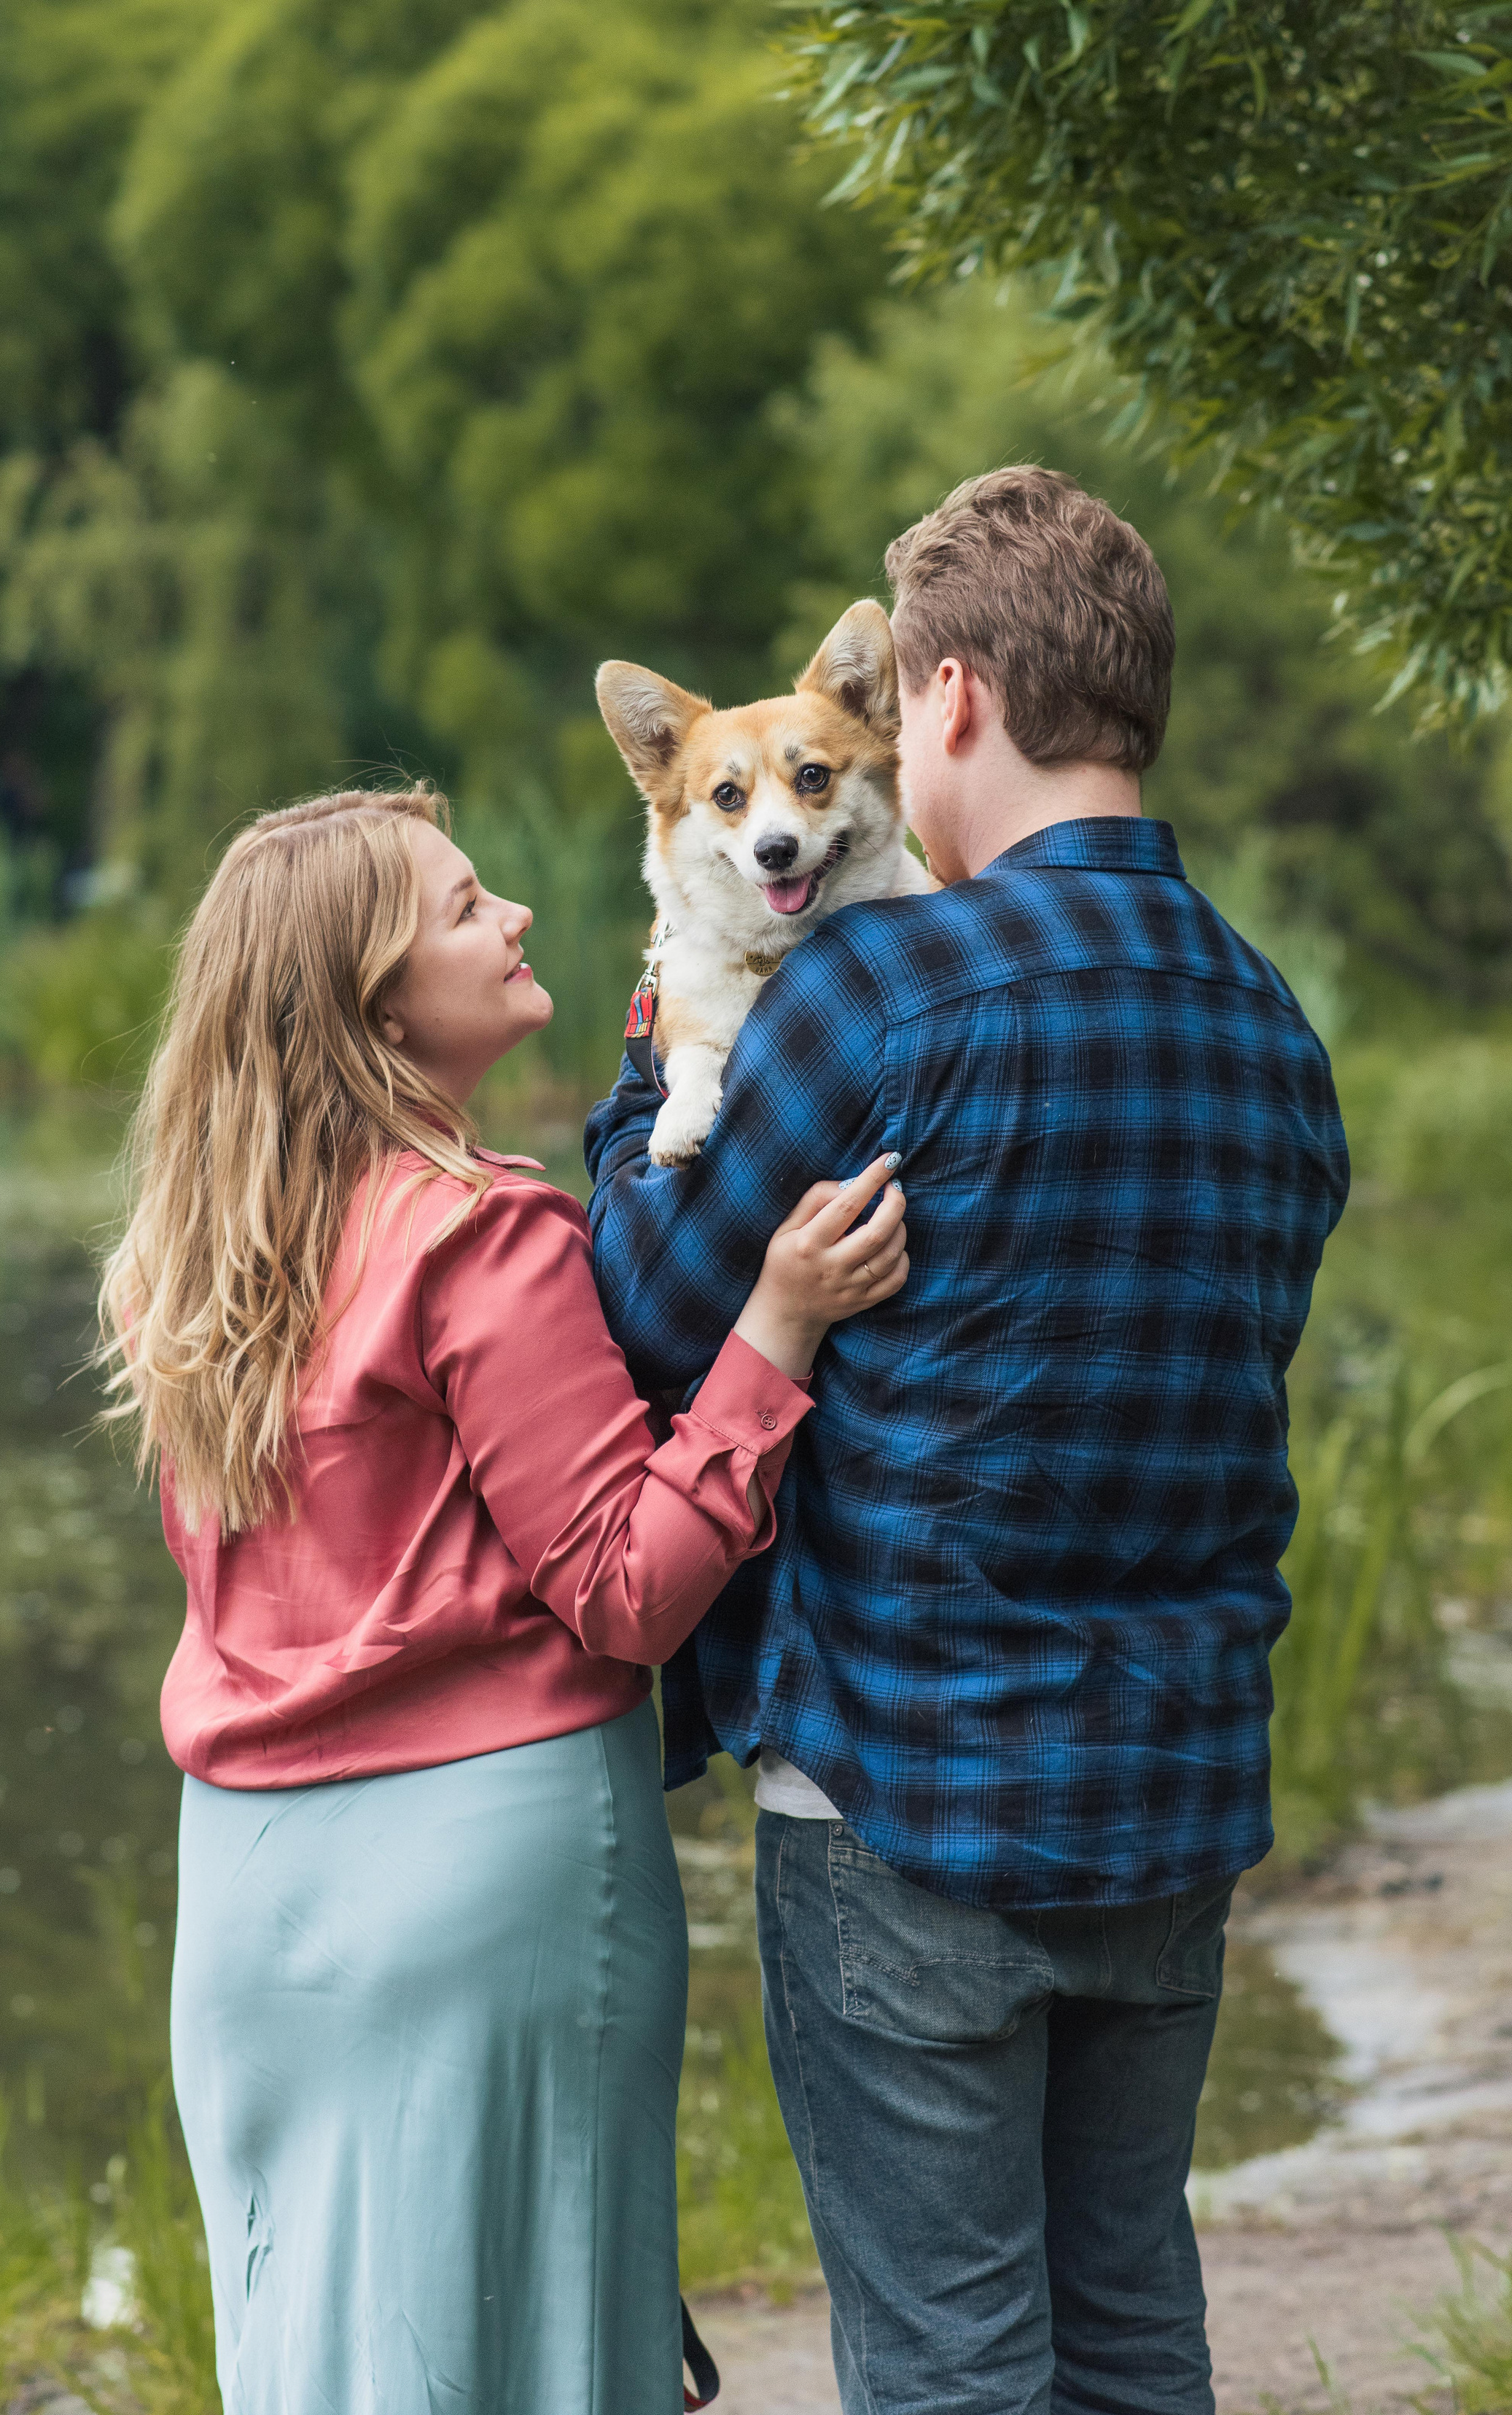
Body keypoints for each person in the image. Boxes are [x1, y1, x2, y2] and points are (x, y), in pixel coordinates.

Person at [584, 467, 1350, 2415]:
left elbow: (649, 1308)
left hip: (906, 1797)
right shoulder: (1271, 1025)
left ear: (941, 705)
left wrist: (633, 1084)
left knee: (949, 2367)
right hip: (1174, 1794)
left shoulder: (874, 987)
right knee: (1129, 2334)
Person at [98, 785, 911, 2415]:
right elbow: (626, 1587)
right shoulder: (477, 1236)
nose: (517, 916)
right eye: (467, 910)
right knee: (526, 2349)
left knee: (325, 2356)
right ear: (378, 1001)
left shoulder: (197, 1255)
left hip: (251, 1894)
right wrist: (772, 1333)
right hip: (479, 1873)